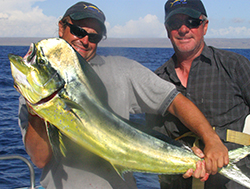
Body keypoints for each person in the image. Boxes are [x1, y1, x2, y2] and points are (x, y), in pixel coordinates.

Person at [18, 1, 229, 189]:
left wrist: (211, 140)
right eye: (77, 30)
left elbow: (175, 101)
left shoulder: (122, 69)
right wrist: (37, 111)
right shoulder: (40, 83)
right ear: (62, 27)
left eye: (94, 36)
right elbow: (40, 159)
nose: (84, 40)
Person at [146, 0, 250, 188]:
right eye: (175, 24)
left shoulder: (234, 65)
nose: (183, 29)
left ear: (205, 26)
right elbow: (155, 141)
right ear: (167, 30)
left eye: (192, 22)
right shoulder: (156, 80)